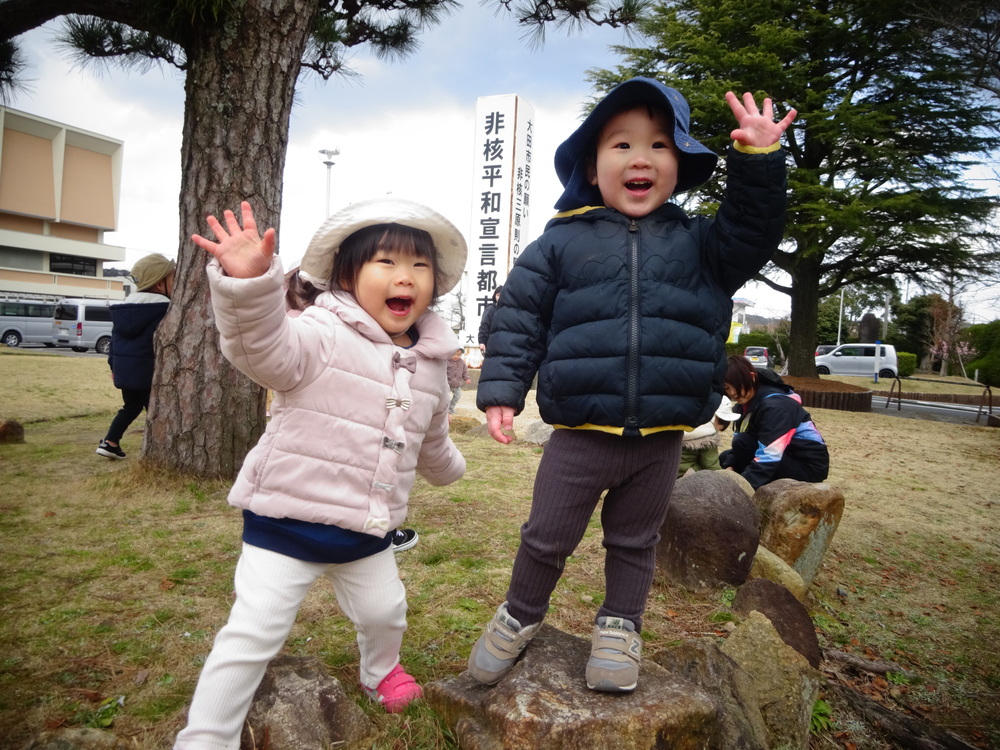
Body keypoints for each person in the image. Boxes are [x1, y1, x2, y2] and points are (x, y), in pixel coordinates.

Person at [469, 77, 796, 693]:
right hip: (579, 433)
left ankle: (620, 626)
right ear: (592, 168)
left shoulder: (703, 245)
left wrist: (758, 159)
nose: (640, 158)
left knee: (635, 541)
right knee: (546, 537)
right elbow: (518, 318)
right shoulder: (560, 241)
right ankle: (520, 613)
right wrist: (501, 392)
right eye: (620, 145)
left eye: (659, 146)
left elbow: (754, 229)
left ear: (680, 166)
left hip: (660, 436)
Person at [174, 197, 467, 748]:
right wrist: (250, 284)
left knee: (386, 613)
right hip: (285, 525)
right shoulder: (319, 333)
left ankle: (380, 672)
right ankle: (206, 736)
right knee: (253, 634)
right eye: (385, 262)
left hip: (367, 533)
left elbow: (430, 439)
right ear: (346, 275)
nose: (405, 276)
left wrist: (452, 469)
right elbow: (261, 347)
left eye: (420, 266)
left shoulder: (430, 365)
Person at [96, 253, 176, 459]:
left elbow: (114, 344)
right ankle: (164, 451)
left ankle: (110, 442)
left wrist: (114, 369)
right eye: (172, 277)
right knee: (157, 411)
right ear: (159, 285)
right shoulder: (164, 309)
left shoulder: (124, 309)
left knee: (130, 407)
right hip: (148, 375)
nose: (177, 282)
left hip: (125, 373)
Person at [719, 356, 829, 489]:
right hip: (785, 456)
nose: (732, 393)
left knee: (742, 443)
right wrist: (731, 467)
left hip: (807, 467)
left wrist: (743, 487)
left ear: (752, 377)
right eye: (727, 388)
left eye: (736, 387)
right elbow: (740, 446)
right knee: (725, 457)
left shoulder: (777, 406)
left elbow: (770, 453)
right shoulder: (745, 405)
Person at [677, 396, 740, 477]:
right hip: (686, 475)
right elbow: (711, 465)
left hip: (671, 470)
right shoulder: (708, 438)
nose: (720, 428)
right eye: (722, 422)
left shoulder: (685, 425)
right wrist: (724, 475)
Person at [477, 285, 502, 353]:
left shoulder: (509, 310)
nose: (500, 297)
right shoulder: (491, 309)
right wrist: (482, 341)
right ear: (494, 296)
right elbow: (485, 325)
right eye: (498, 295)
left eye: (502, 295)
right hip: (492, 345)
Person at [447, 347, 471, 415]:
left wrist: (467, 378)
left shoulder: (462, 362)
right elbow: (442, 372)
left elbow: (465, 371)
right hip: (447, 384)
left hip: (457, 384)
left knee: (458, 395)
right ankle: (445, 409)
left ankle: (451, 407)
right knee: (446, 397)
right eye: (454, 354)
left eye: (459, 355)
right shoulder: (446, 361)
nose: (456, 356)